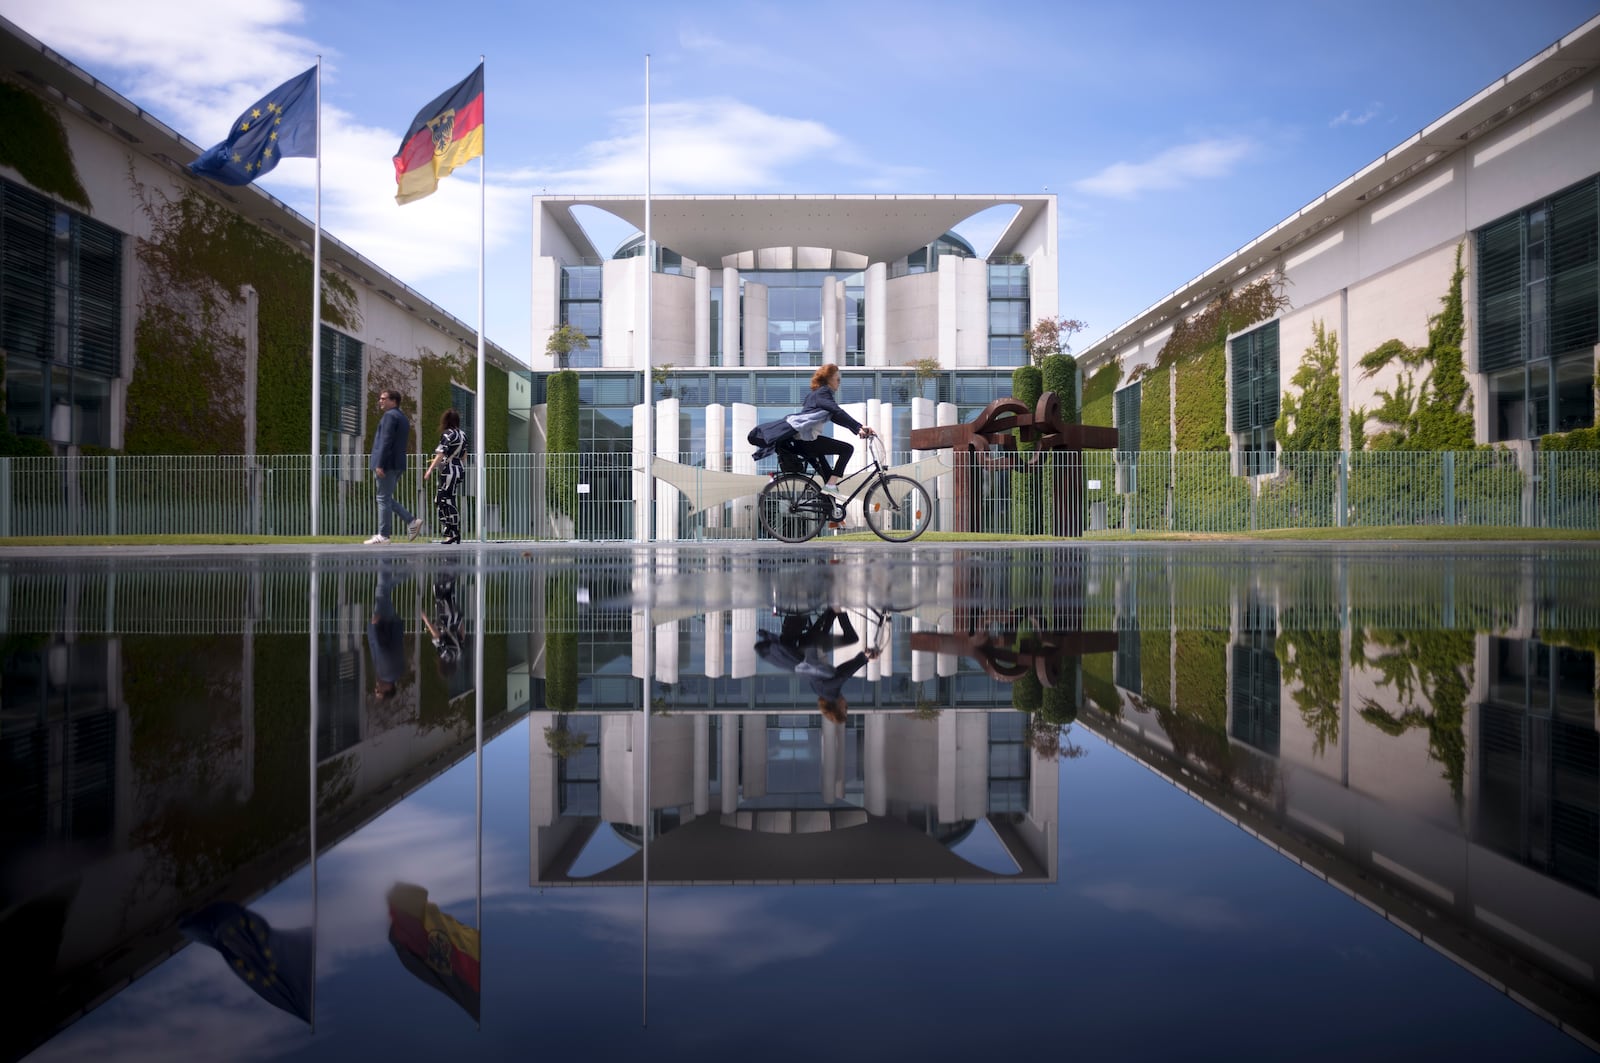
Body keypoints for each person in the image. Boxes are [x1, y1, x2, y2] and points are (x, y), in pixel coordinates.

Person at [754, 607, 879, 721]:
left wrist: (864, 658)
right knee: (830, 633)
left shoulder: (830, 693)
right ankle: (833, 610)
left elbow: (843, 676)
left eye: (845, 709)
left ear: (838, 708)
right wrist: (864, 658)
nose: (846, 705)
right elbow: (841, 671)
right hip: (808, 646)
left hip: (811, 644)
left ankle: (836, 609)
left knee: (851, 638)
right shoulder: (821, 691)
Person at [791, 363, 875, 497]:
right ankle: (831, 486)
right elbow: (836, 411)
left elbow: (835, 416)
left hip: (803, 441)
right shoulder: (823, 393)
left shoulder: (815, 395)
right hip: (808, 441)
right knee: (847, 449)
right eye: (837, 379)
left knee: (829, 478)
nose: (839, 382)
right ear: (829, 379)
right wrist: (858, 426)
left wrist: (857, 428)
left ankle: (834, 515)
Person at [367, 389, 423, 545]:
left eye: (383, 398)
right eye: (380, 398)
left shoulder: (390, 416)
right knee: (386, 498)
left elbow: (386, 441)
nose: (380, 401)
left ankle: (383, 535)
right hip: (397, 464)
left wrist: (380, 464)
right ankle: (411, 521)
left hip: (387, 464)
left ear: (393, 401)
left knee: (382, 498)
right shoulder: (402, 418)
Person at [421, 409, 468, 545]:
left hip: (449, 470)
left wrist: (430, 469)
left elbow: (440, 454)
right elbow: (464, 455)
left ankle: (451, 532)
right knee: (447, 499)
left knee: (443, 500)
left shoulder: (448, 434)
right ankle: (453, 532)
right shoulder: (463, 435)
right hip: (459, 469)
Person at [369, 559, 406, 700]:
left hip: (391, 625)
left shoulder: (397, 673)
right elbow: (381, 648)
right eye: (379, 691)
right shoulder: (386, 673)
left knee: (383, 589)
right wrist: (375, 626)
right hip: (383, 624)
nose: (376, 688)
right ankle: (386, 557)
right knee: (382, 590)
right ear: (387, 689)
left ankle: (388, 559)